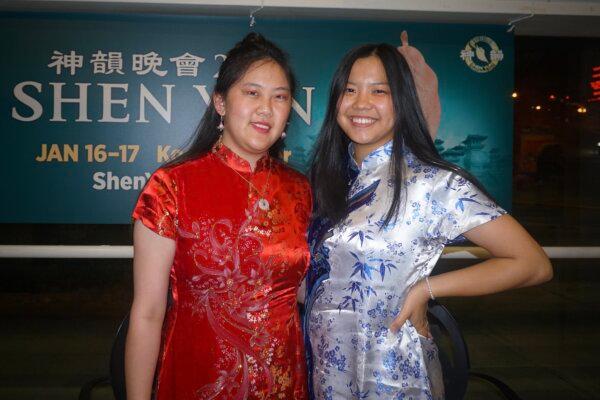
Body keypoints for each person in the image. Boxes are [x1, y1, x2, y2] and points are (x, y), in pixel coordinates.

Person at [304, 41, 553, 399]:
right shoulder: (327, 180)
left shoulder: (434, 183)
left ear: (403, 101)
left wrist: (428, 290)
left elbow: (532, 263)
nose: (361, 103)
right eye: (350, 90)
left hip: (391, 369)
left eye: (379, 91)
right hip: (327, 364)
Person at [125, 33, 312, 400]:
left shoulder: (300, 190)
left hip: (283, 382)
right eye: (252, 93)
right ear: (221, 102)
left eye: (280, 97)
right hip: (199, 378)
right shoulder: (171, 187)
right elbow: (147, 313)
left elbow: (307, 290)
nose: (266, 109)